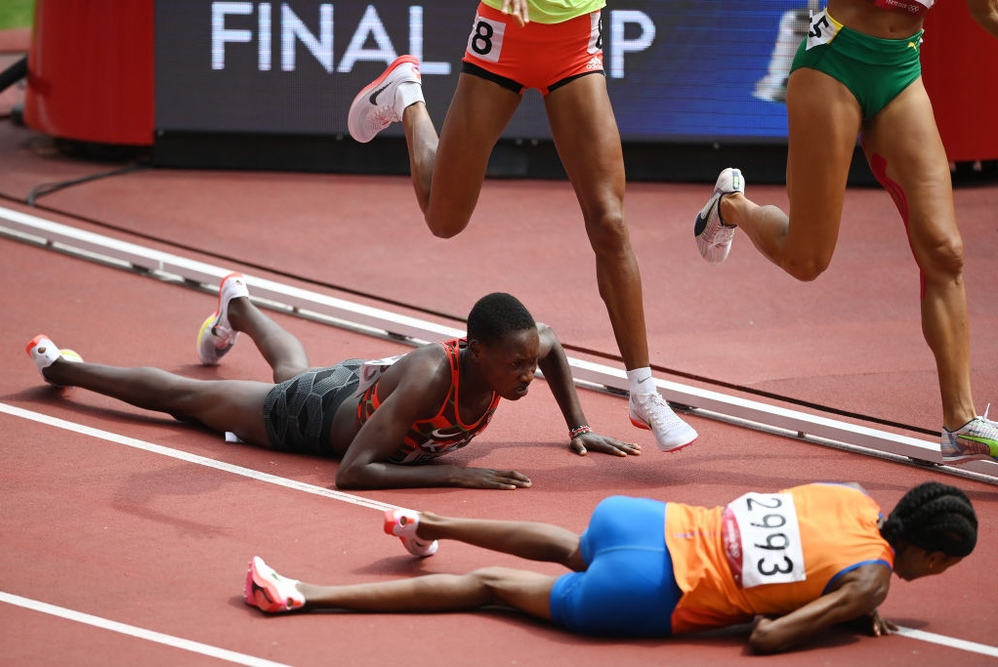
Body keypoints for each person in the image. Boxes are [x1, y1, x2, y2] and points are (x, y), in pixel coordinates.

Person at [344, 0, 698, 452]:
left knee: (610, 222)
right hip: (503, 37)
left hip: (574, 42)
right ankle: (407, 96)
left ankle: (644, 392)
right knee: (445, 219)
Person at [693, 0, 998, 464]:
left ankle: (960, 423)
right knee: (806, 260)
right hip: (834, 64)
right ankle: (731, 206)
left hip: (901, 71)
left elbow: (987, 11)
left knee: (944, 250)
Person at [25, 274, 640, 491]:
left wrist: (579, 427)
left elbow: (553, 346)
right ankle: (61, 367)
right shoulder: (432, 377)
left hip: (357, 388)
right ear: (476, 352)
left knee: (295, 368)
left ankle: (238, 307)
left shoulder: (525, 342)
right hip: (310, 419)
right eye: (517, 365)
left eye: (529, 362)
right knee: (184, 400)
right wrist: (455, 474)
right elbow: (352, 472)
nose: (529, 374)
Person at [244, 480, 976, 654]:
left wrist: (849, 595)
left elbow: (819, 549)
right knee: (488, 588)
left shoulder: (852, 496)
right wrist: (845, 609)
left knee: (569, 542)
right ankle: (302, 593)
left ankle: (426, 524)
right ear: (934, 554)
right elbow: (766, 636)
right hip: (651, 590)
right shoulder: (871, 580)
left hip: (645, 521)